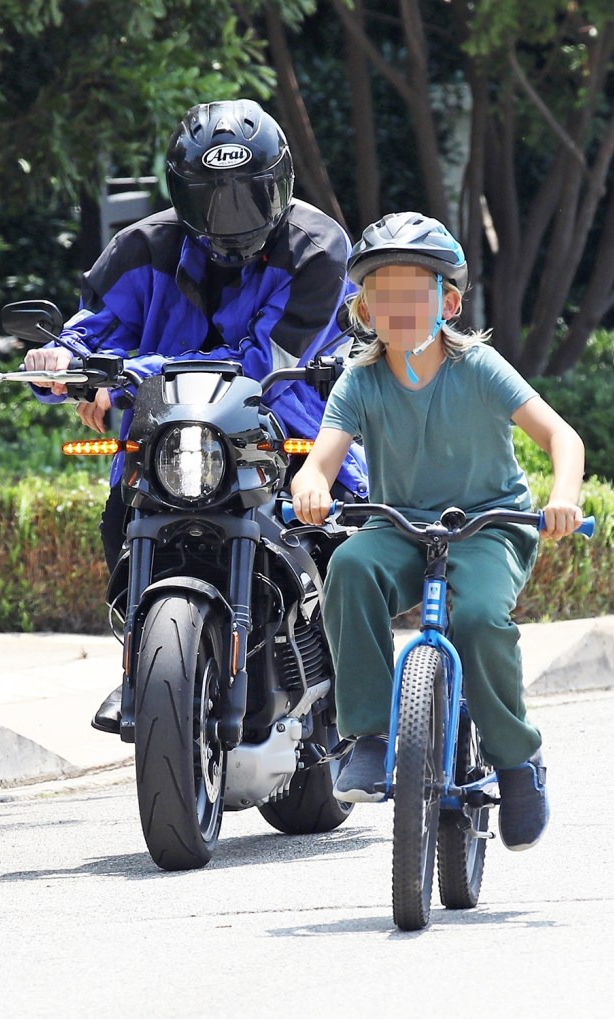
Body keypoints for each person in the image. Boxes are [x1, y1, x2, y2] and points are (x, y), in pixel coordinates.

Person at [24, 98, 367, 732]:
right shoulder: (140, 248)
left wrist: (132, 373)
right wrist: (61, 362)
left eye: (248, 196)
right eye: (213, 199)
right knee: (120, 517)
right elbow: (89, 332)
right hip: (168, 441)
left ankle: (352, 680)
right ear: (183, 196)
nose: (230, 217)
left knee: (338, 535)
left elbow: (263, 361)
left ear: (282, 186)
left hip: (285, 432)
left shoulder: (318, 248)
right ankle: (141, 666)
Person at [290, 211, 585, 851]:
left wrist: (564, 495)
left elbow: (562, 436)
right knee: (350, 567)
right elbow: (321, 460)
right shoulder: (359, 380)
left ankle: (516, 759)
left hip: (489, 527)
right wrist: (311, 486)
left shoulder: (477, 366)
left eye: (412, 291)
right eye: (381, 294)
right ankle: (368, 735)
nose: (396, 306)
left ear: (446, 301)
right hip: (404, 530)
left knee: (480, 618)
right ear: (364, 309)